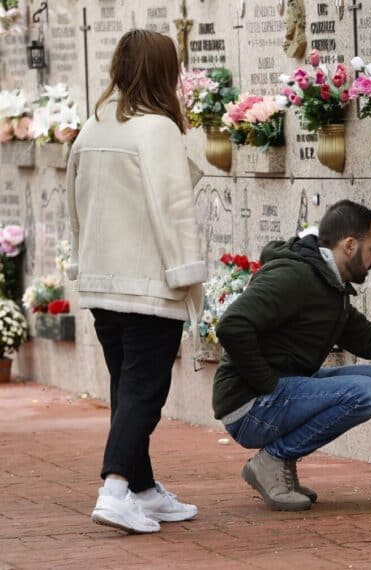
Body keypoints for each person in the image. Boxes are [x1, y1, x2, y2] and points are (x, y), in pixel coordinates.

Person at [213, 200, 371, 511]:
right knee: (363, 392)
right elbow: (232, 325)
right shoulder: (294, 276)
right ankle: (273, 460)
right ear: (350, 245)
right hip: (249, 407)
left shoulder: (328, 283)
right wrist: (266, 383)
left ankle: (279, 465)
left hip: (270, 394)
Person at [66, 30, 206, 534]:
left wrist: (81, 262)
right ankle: (115, 489)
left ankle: (142, 489)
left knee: (128, 389)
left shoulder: (93, 126)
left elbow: (73, 204)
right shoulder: (157, 129)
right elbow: (174, 210)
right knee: (145, 392)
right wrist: (186, 275)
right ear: (163, 72)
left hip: (103, 282)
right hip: (149, 283)